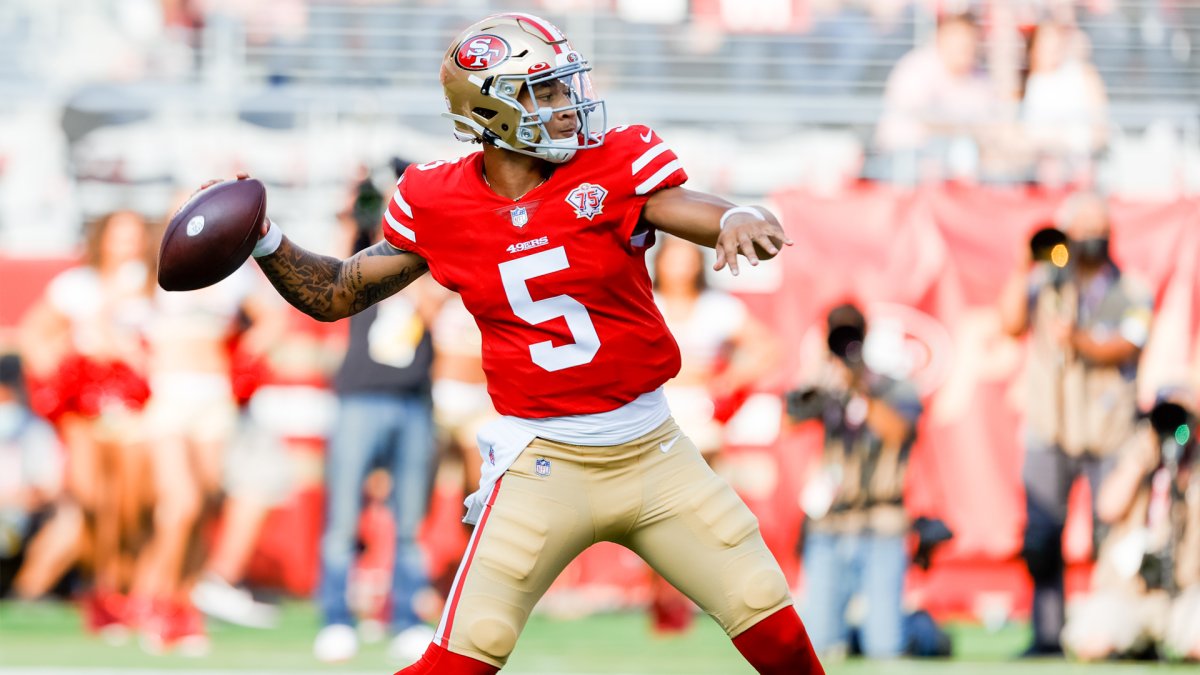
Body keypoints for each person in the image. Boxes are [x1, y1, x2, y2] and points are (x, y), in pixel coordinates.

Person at [200, 13, 821, 674]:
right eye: (545, 92)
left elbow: (686, 204)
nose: (566, 106)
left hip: (655, 454)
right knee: (462, 658)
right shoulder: (438, 200)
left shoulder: (611, 166)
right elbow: (337, 291)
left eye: (563, 87)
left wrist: (738, 215)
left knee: (776, 631)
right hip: (541, 465)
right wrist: (265, 239)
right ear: (491, 109)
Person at [998, 192, 1153, 656]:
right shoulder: (1045, 281)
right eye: (1081, 228)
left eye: (1098, 227)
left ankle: (1116, 632)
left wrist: (1079, 340)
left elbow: (1131, 343)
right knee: (1043, 536)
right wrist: (1021, 264)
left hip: (1109, 432)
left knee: (1115, 539)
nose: (1090, 236)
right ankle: (1047, 634)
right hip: (1051, 429)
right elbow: (1007, 323)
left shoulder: (1131, 287)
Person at [312, 175, 439, 665]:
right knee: (342, 520)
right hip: (359, 396)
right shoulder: (359, 253)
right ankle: (336, 619)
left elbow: (433, 303)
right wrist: (353, 214)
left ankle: (407, 618)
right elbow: (326, 279)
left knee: (409, 524)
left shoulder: (427, 254)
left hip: (413, 398)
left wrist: (407, 236)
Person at [17, 210, 155, 641]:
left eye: (134, 235)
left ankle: (117, 593)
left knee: (130, 504)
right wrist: (59, 374)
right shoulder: (76, 285)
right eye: (119, 234)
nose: (127, 243)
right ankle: (97, 590)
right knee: (92, 500)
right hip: (85, 405)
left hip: (136, 404)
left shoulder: (155, 283)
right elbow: (33, 334)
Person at [786, 302, 922, 659]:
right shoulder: (825, 385)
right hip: (831, 523)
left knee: (885, 647)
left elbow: (897, 433)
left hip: (881, 522)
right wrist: (816, 380)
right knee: (819, 643)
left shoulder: (893, 386)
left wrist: (856, 390)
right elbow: (789, 421)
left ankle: (923, 630)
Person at [1061, 390, 1200, 660]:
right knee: (1092, 644)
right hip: (1128, 591)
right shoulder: (1136, 460)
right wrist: (1139, 461)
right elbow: (1108, 509)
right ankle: (1133, 642)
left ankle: (1166, 640)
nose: (1173, 429)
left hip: (1184, 591)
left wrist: (1187, 477)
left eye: (1181, 421)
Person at [874, 12, 998, 180]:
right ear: (941, 39)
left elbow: (988, 121)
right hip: (906, 156)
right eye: (958, 41)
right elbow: (919, 118)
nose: (964, 48)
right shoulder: (917, 68)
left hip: (956, 158)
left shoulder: (978, 78)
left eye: (969, 43)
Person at [0, 354, 65, 598]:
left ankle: (24, 594)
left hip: (24, 524)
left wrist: (28, 497)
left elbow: (50, 486)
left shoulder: (35, 428)